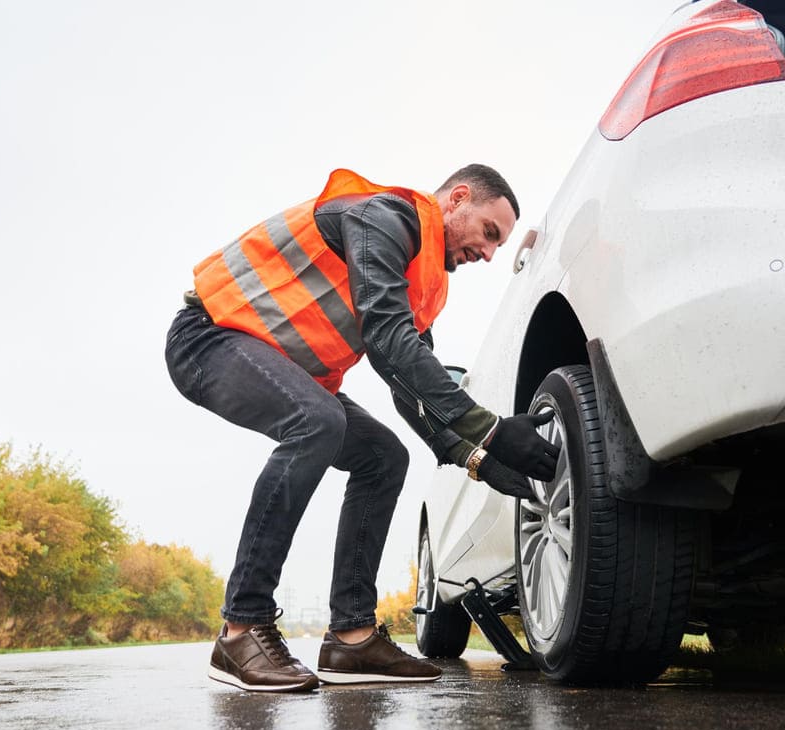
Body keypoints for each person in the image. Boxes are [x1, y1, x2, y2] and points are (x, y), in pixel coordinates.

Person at [164, 165, 560, 693]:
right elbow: (387, 340)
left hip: (278, 365)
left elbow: (410, 386)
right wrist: (491, 430)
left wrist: (480, 459)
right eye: (489, 233)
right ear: (458, 198)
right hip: (208, 337)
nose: (488, 254)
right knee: (317, 421)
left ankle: (351, 641)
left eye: (497, 244)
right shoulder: (384, 218)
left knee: (383, 456)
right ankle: (241, 629)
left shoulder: (422, 283)